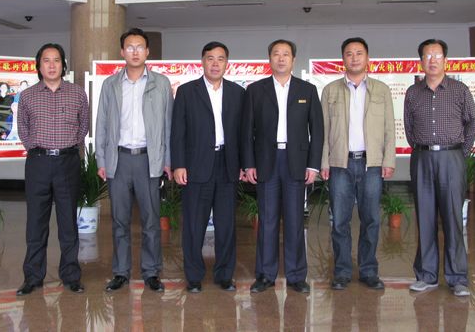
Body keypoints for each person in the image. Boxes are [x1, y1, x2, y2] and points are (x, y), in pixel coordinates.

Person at [241, 39, 324, 294]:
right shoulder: (255, 90)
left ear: (293, 60)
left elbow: (317, 131)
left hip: (296, 162)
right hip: (266, 161)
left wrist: (313, 165)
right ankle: (265, 275)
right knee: (267, 221)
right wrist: (249, 164)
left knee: (295, 220)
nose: (280, 58)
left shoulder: (307, 90)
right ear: (269, 59)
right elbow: (246, 131)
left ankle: (297, 275)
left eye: (285, 54)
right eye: (276, 54)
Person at [96, 28, 173, 293]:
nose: (135, 51)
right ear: (122, 52)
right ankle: (121, 272)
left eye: (140, 47)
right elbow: (102, 124)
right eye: (130, 47)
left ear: (147, 51)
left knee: (151, 220)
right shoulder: (110, 84)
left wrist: (167, 160)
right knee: (120, 220)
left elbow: (168, 125)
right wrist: (102, 160)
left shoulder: (161, 83)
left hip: (148, 159)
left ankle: (151, 272)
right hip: (119, 159)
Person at [404, 38, 475, 297]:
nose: (432, 60)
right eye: (427, 55)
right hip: (422, 158)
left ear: (445, 60)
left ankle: (457, 278)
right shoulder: (413, 93)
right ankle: (426, 275)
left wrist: (459, 152)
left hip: (451, 158)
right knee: (425, 218)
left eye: (437, 55)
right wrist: (423, 148)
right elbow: (409, 128)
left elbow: (472, 123)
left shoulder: (459, 90)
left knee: (452, 218)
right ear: (421, 61)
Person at [320, 37, 395, 291]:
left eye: (359, 53)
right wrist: (324, 162)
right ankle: (342, 271)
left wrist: (388, 160)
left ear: (367, 58)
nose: (354, 58)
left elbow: (389, 128)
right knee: (340, 221)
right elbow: (323, 130)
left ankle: (368, 271)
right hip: (340, 164)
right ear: (343, 59)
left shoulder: (381, 90)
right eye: (349, 54)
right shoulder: (330, 90)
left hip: (371, 164)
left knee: (371, 219)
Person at [171, 41, 245, 293]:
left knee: (226, 225)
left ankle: (224, 275)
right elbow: (178, 131)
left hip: (227, 164)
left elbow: (243, 133)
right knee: (194, 224)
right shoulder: (187, 92)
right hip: (195, 166)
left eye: (220, 59)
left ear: (227, 64)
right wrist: (179, 164)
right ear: (202, 61)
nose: (215, 63)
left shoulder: (237, 93)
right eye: (210, 58)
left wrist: (244, 164)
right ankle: (193, 276)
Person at [16, 43, 89, 296]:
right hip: (38, 163)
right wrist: (38, 149)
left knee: (68, 222)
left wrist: (66, 148)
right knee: (36, 223)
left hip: (67, 162)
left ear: (63, 65)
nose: (51, 65)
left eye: (56, 60)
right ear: (39, 66)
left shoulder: (77, 93)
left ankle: (71, 276)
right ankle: (33, 277)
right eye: (46, 60)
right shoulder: (28, 96)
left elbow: (83, 127)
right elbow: (23, 129)